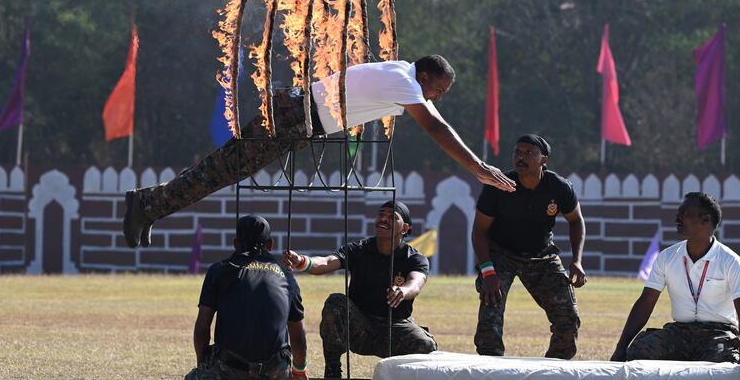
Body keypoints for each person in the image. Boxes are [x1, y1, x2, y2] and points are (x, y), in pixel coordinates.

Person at [123, 55, 515, 248]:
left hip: (300, 118)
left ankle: (151, 204)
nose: (436, 99)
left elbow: (433, 117)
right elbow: (436, 127)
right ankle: (146, 203)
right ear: (425, 77)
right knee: (219, 172)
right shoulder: (403, 81)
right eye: (438, 91)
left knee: (222, 173)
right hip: (295, 114)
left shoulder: (403, 75)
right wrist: (478, 167)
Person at [283, 200, 438, 380]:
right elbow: (327, 262)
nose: (383, 219)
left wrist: (403, 290)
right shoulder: (359, 249)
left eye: (392, 217)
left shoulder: (414, 258)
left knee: (426, 346)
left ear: (405, 228)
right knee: (335, 303)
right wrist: (302, 261)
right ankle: (332, 377)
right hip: (360, 327)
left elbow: (416, 282)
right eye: (381, 214)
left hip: (395, 327)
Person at [174, 215, 309, 380]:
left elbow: (202, 327)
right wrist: (299, 371)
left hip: (230, 369)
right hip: (275, 370)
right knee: (269, 349)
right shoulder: (286, 276)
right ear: (270, 245)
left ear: (235, 243)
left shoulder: (220, 270)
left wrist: (204, 367)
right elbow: (298, 337)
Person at [472, 134, 586, 359]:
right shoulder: (498, 186)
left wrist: (577, 260)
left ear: (544, 160)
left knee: (568, 317)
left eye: (528, 153)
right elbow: (479, 231)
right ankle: (490, 366)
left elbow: (576, 220)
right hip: (501, 253)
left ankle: (554, 369)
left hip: (541, 255)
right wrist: (488, 272)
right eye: (517, 152)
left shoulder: (559, 187)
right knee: (490, 309)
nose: (521, 158)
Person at [610, 192, 740, 363]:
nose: (677, 217)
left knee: (725, 361)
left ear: (706, 220)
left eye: (685, 213)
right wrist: (621, 348)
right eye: (679, 212)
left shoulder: (731, 261)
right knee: (640, 350)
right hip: (680, 332)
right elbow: (646, 302)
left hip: (718, 333)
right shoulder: (667, 257)